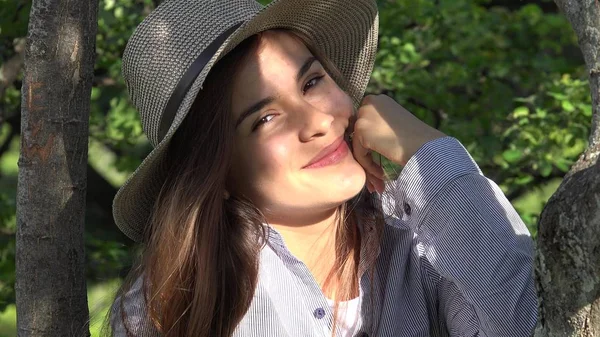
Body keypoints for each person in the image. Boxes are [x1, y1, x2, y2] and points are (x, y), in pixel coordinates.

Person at [108, 0, 538, 336]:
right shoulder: (176, 302)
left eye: (312, 82)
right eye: (265, 119)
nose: (316, 121)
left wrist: (428, 151)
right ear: (216, 174)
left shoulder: (423, 239)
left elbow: (532, 325)